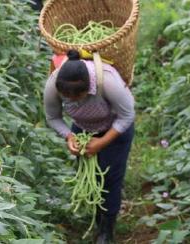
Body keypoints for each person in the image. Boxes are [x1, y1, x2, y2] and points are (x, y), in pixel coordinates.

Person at [43, 50, 135, 243]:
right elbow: (53, 117)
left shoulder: (107, 80)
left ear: (88, 87)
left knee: (110, 178)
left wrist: (102, 142)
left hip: (115, 128)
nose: (73, 101)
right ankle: (99, 215)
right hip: (82, 131)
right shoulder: (53, 83)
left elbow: (127, 115)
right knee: (92, 176)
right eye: (67, 98)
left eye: (79, 97)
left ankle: (106, 230)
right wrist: (69, 136)